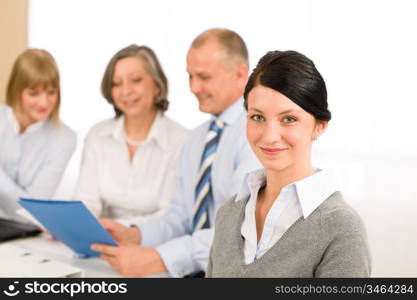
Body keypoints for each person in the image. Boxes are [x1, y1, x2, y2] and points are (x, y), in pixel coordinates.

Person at [91, 28, 261, 277]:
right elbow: (180, 218)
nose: (194, 87)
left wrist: (160, 258)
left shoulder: (258, 134)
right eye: (190, 76)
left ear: (240, 74)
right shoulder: (195, 139)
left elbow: (238, 231)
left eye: (203, 77)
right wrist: (135, 234)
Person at [206, 50, 371, 277]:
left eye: (289, 119)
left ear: (320, 125)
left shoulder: (341, 229)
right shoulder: (228, 214)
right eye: (257, 117)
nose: (270, 136)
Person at [73, 45, 187, 225]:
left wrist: (120, 229)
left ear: (157, 85)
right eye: (116, 83)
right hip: (104, 240)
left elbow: (171, 215)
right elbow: (86, 202)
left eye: (135, 80)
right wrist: (70, 222)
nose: (125, 91)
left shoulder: (181, 140)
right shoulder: (98, 135)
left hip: (155, 244)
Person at [0, 49, 76, 221]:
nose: (44, 103)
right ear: (16, 90)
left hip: (24, 231)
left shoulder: (64, 139)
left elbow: (33, 209)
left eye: (51, 92)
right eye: (33, 93)